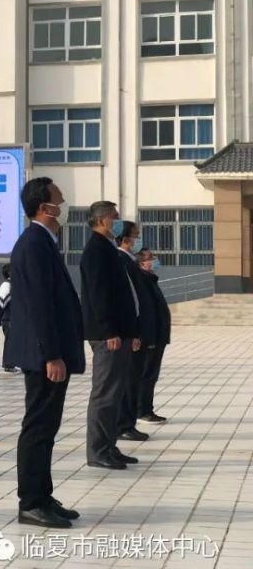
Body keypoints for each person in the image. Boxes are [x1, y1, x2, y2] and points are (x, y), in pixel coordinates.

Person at [9, 177, 85, 529]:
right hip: (43, 356)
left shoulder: (45, 242)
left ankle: (43, 494)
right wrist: (52, 354)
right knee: (38, 427)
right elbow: (39, 306)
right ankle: (30, 502)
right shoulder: (34, 244)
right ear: (44, 208)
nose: (64, 202)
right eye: (59, 198)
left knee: (47, 427)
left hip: (50, 352)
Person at [81, 201, 140, 471]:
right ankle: (98, 451)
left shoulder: (107, 248)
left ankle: (109, 445)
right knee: (105, 393)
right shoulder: (95, 250)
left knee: (115, 393)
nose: (118, 222)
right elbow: (98, 295)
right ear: (103, 220)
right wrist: (110, 331)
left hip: (119, 333)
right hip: (108, 335)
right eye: (115, 218)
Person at [114, 222, 151, 443]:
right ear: (126, 239)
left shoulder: (129, 261)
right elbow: (128, 300)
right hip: (130, 331)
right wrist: (133, 331)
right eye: (135, 236)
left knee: (133, 379)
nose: (137, 240)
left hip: (136, 330)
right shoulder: (121, 261)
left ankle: (128, 423)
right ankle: (123, 424)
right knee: (127, 382)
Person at [137, 249, 170, 424]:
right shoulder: (142, 281)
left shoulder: (151, 280)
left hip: (158, 337)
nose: (155, 260)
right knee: (146, 374)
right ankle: (142, 411)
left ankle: (146, 409)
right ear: (141, 263)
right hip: (150, 338)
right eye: (151, 258)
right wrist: (148, 339)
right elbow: (146, 312)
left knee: (151, 375)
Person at [0, 264, 15, 373]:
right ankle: (8, 364)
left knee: (13, 341)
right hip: (8, 319)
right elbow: (1, 302)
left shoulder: (13, 284)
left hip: (13, 319)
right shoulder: (6, 285)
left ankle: (11, 364)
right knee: (9, 342)